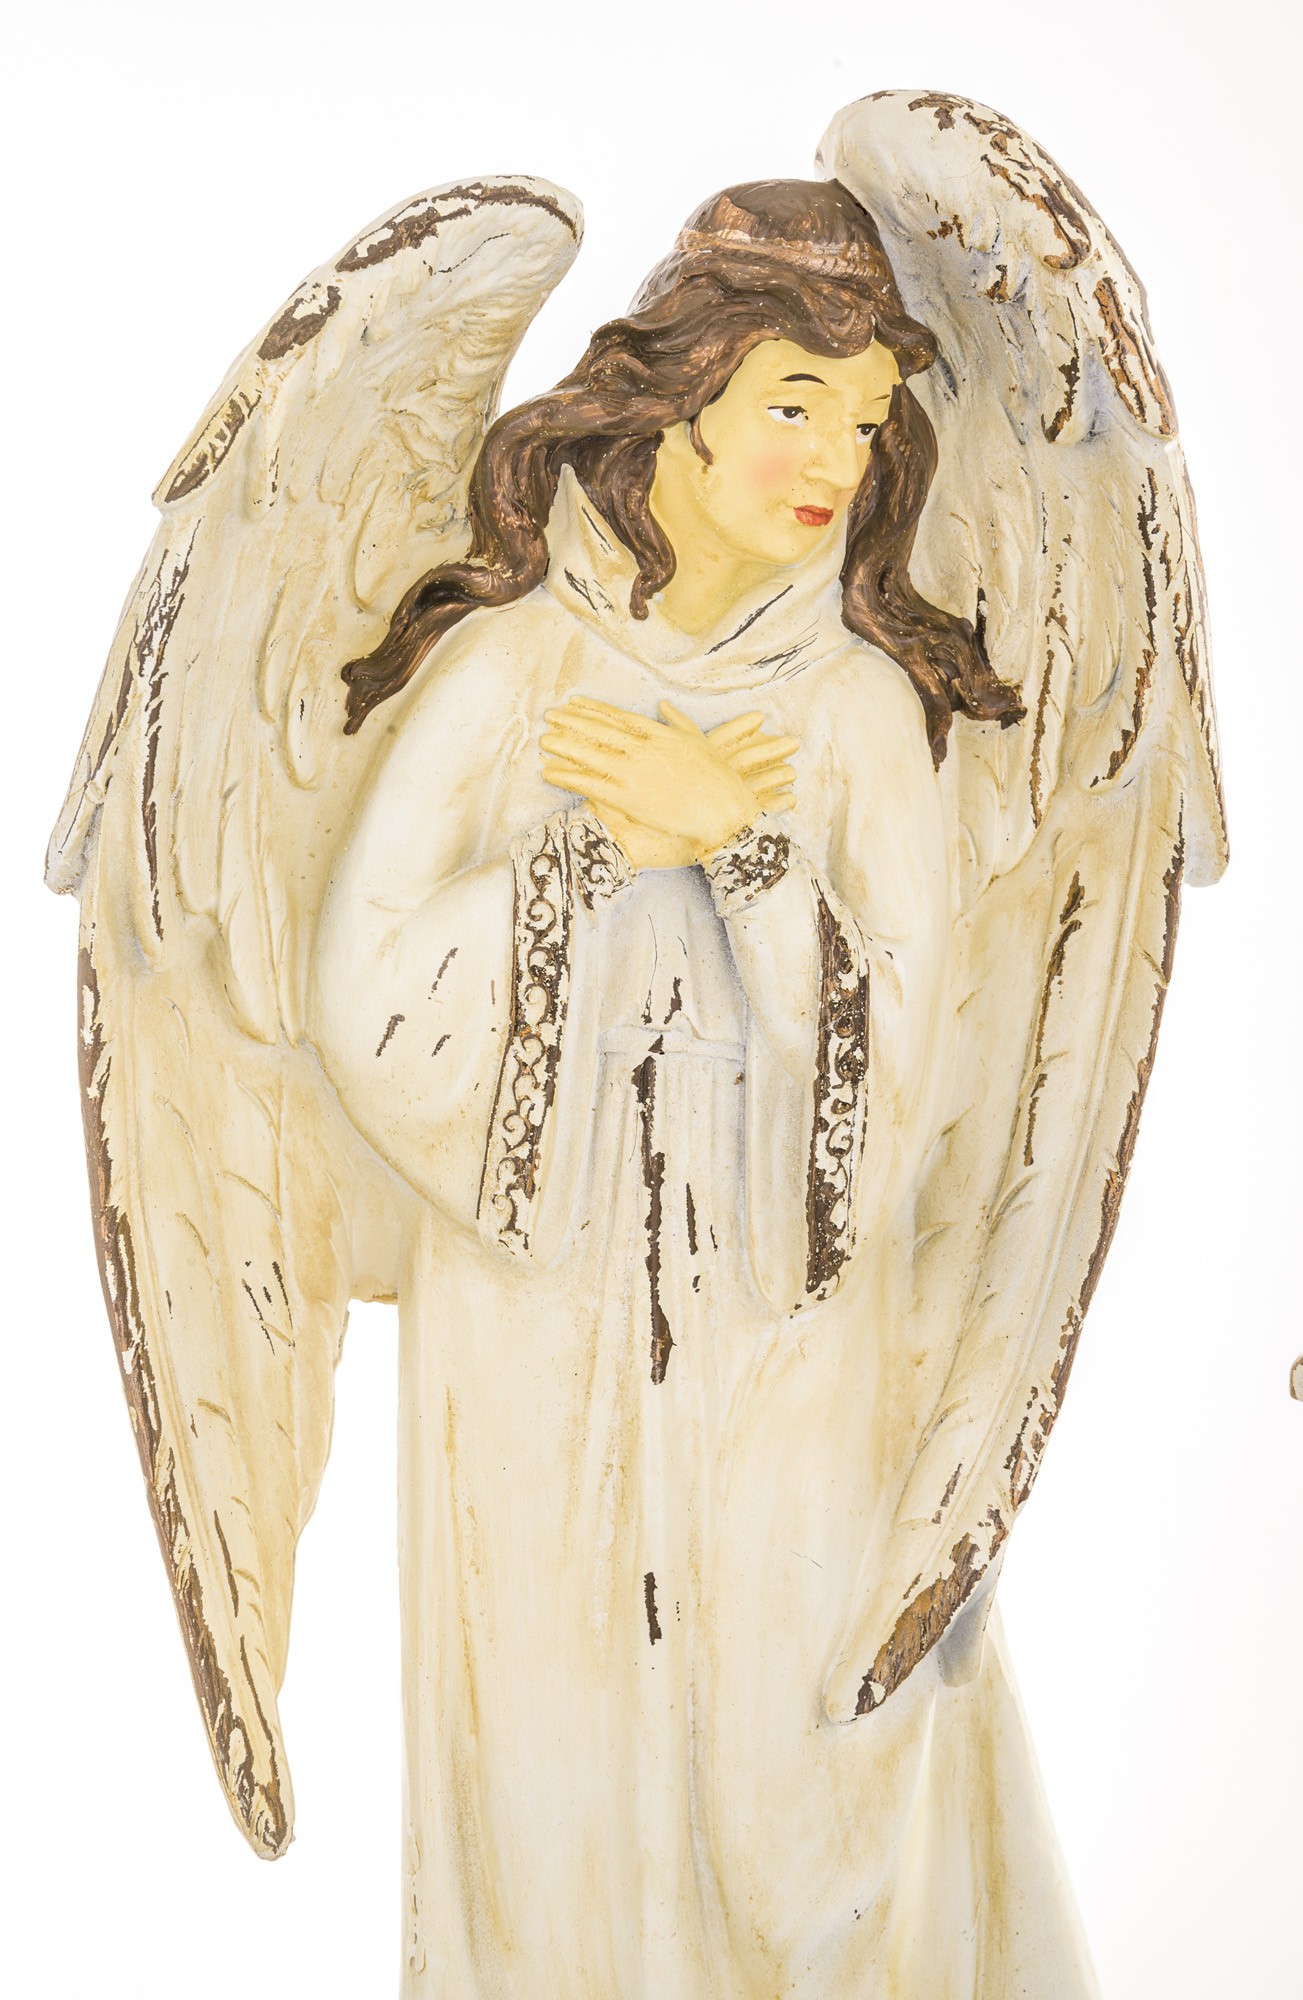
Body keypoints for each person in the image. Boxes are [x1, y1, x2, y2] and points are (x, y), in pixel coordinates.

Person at [310, 179, 1097, 1997]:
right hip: (536, 1328)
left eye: (868, 421)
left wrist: (740, 853)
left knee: (802, 1784)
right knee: (554, 1757)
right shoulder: (512, 671)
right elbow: (364, 991)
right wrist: (597, 854)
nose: (834, 458)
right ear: (676, 400)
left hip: (793, 1334)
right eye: (794, 405)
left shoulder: (860, 712)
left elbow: (911, 1062)